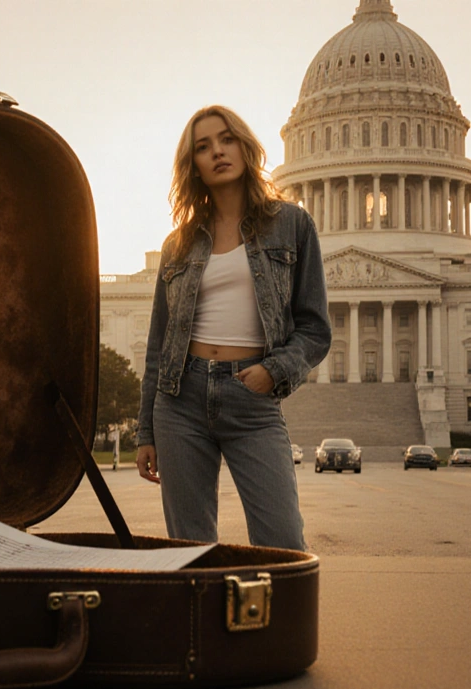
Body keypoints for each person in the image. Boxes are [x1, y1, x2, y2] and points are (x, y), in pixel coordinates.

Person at [134, 106, 331, 551]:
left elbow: (315, 328)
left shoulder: (293, 225)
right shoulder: (178, 243)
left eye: (226, 139)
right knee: (190, 550)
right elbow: (158, 343)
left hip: (253, 400)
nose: (217, 152)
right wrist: (145, 430)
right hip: (180, 399)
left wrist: (274, 371)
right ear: (194, 167)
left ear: (245, 147)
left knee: (282, 542)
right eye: (203, 147)